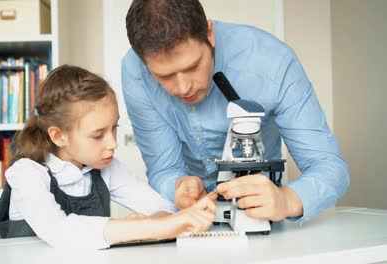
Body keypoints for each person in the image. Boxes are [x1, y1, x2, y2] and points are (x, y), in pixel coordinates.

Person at [122, 0, 349, 223]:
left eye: (192, 66)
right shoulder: (134, 71)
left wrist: (287, 200)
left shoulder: (273, 61)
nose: (183, 88)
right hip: (189, 222)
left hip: (260, 214)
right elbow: (163, 170)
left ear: (209, 33)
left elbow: (328, 167)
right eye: (164, 76)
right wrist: (177, 187)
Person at [0, 65, 217, 249]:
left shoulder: (105, 167)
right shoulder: (27, 173)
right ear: (58, 136)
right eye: (98, 135)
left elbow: (166, 209)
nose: (113, 143)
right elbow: (60, 232)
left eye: (114, 128)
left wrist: (166, 217)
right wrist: (144, 227)